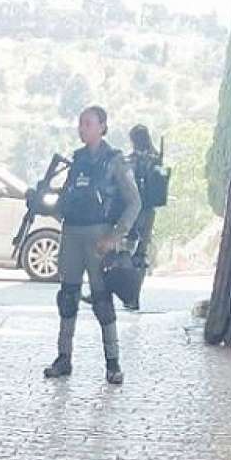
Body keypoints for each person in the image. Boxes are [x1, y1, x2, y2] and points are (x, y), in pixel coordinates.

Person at [43, 106, 141, 385]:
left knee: (102, 300)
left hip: (99, 237)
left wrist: (116, 236)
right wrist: (44, 202)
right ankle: (63, 357)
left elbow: (134, 202)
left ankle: (113, 362)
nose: (82, 128)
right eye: (80, 123)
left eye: (88, 123)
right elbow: (65, 200)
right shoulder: (77, 160)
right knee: (67, 297)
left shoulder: (115, 161)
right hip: (72, 233)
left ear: (102, 126)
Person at [123, 124, 162, 311]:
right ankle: (133, 297)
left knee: (128, 251)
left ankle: (129, 295)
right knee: (140, 254)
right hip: (149, 211)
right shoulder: (156, 158)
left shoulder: (136, 159)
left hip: (136, 209)